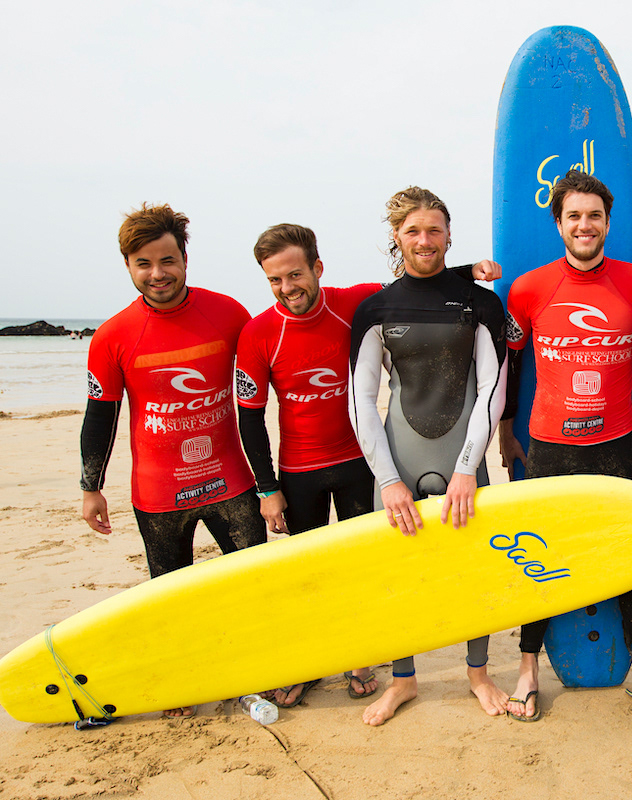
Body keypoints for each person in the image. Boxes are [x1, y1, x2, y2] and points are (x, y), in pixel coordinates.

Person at [237, 224, 499, 708]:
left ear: (317, 268)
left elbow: (424, 285)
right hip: (309, 469)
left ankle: (383, 662)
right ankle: (328, 667)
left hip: (361, 462)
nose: (287, 287)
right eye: (275, 280)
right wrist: (265, 487)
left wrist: (466, 273)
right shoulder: (259, 332)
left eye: (295, 274)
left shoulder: (356, 302)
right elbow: (250, 419)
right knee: (322, 574)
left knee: (408, 570)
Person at [499, 169, 632, 722]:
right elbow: (514, 363)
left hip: (616, 444)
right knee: (539, 556)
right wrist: (507, 423)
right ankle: (528, 670)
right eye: (574, 216)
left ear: (608, 222)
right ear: (558, 222)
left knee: (630, 557)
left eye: (594, 216)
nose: (585, 225)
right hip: (550, 446)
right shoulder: (530, 288)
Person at [80, 203, 265, 718]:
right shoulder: (113, 335)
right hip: (159, 494)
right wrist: (90, 486)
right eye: (143, 263)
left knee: (252, 585)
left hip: (229, 480)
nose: (157, 273)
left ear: (185, 258)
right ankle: (183, 682)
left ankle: (259, 670)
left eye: (167, 260)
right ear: (129, 267)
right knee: (171, 596)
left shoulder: (227, 313)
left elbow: (266, 376)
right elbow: (102, 416)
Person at [348, 187, 509, 726]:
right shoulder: (375, 309)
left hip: (463, 456)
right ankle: (403, 681)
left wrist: (468, 468)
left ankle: (479, 673)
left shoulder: (481, 303)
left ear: (448, 234)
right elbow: (362, 401)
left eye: (434, 230)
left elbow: (492, 391)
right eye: (413, 231)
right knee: (399, 572)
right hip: (399, 461)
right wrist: (388, 479)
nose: (424, 240)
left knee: (472, 569)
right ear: (397, 236)